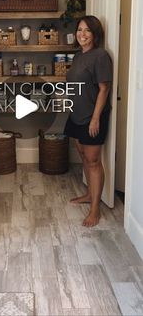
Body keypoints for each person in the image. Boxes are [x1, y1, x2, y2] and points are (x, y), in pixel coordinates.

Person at [64, 15, 113, 227]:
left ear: (95, 34)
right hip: (76, 113)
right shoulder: (77, 57)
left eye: (87, 31)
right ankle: (88, 194)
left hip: (92, 116)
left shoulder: (100, 55)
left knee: (93, 161)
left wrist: (95, 119)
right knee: (83, 154)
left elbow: (104, 89)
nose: (82, 34)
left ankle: (95, 209)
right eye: (80, 30)